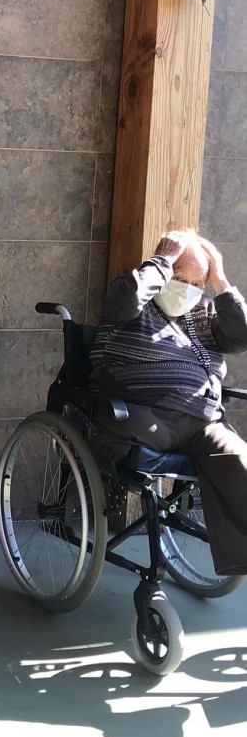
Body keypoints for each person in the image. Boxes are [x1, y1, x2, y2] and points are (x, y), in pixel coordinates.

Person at [89, 228, 247, 574]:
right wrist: (162, 261)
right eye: (178, 276)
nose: (186, 288)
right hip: (146, 417)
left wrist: (219, 280)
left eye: (196, 282)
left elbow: (242, 335)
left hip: (202, 422)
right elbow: (127, 299)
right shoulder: (130, 298)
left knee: (241, 463)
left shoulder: (203, 312)